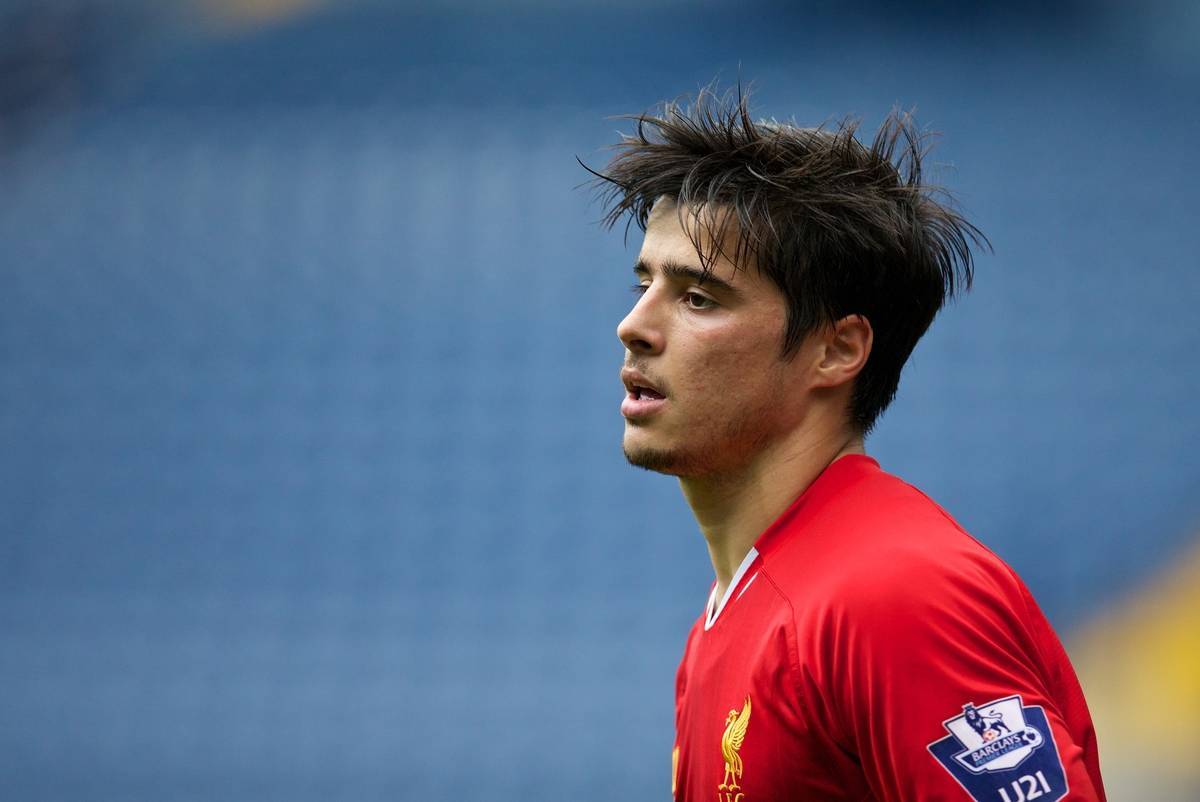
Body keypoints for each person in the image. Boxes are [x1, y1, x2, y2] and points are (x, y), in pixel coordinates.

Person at [585, 87, 1106, 802]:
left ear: (837, 350)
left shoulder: (895, 597)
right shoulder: (740, 608)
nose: (634, 325)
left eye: (699, 297)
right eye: (645, 284)